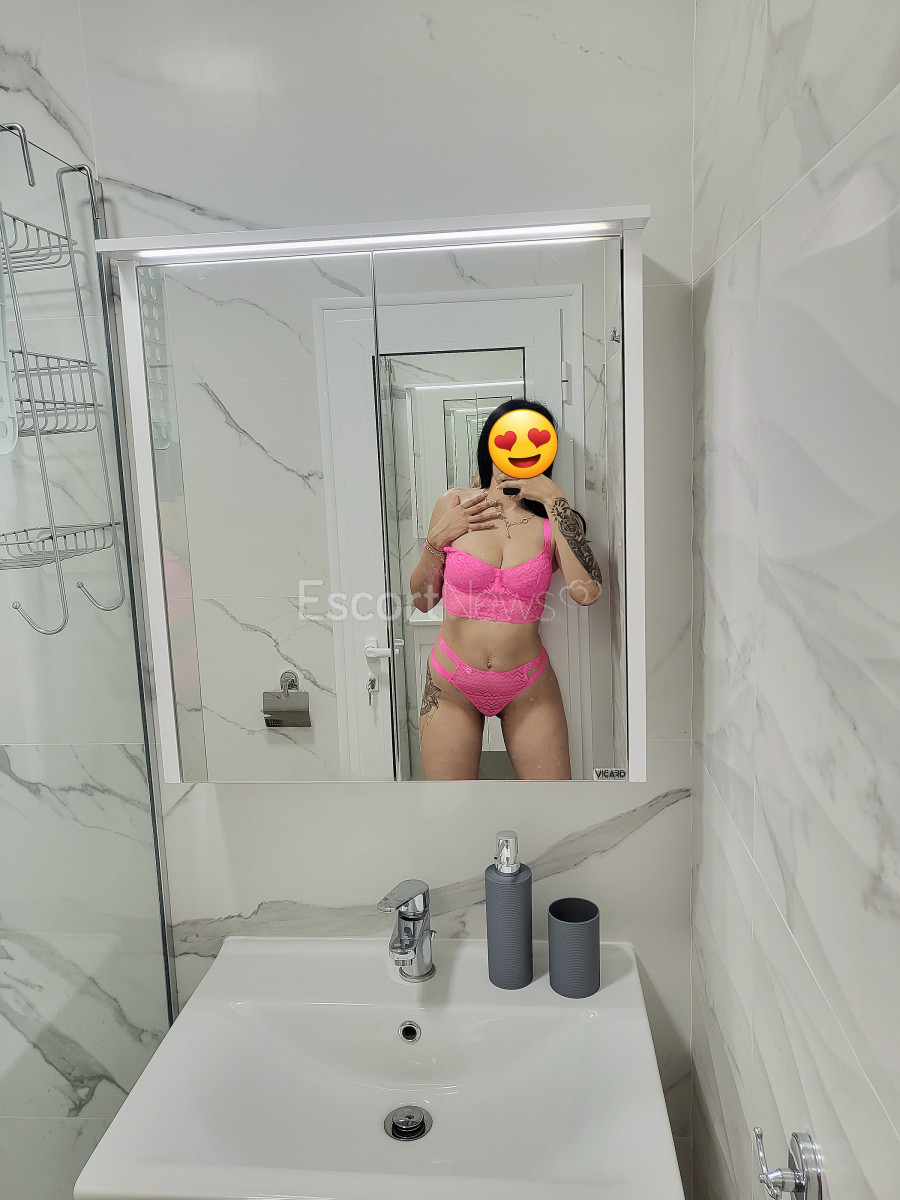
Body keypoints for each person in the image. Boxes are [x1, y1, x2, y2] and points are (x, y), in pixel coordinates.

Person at [409, 399, 603, 780]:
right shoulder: (454, 503)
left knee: (553, 805)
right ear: (490, 444)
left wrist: (554, 499)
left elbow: (587, 592)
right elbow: (422, 600)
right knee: (449, 807)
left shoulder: (554, 520)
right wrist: (436, 540)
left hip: (527, 686)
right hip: (451, 684)